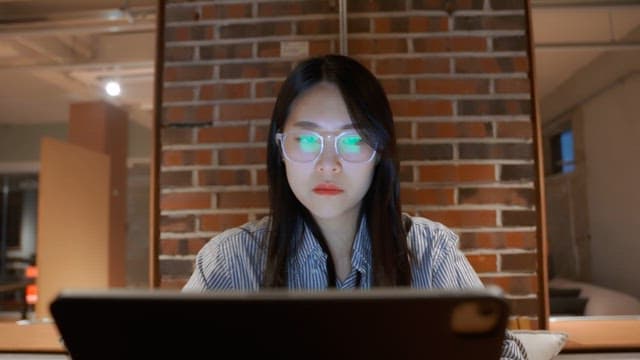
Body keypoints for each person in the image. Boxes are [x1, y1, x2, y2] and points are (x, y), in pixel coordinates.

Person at [183, 54, 527, 359]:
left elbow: (505, 355)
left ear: (379, 152)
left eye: (353, 140)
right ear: (279, 148)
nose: (328, 164)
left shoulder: (430, 252)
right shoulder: (231, 260)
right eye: (305, 139)